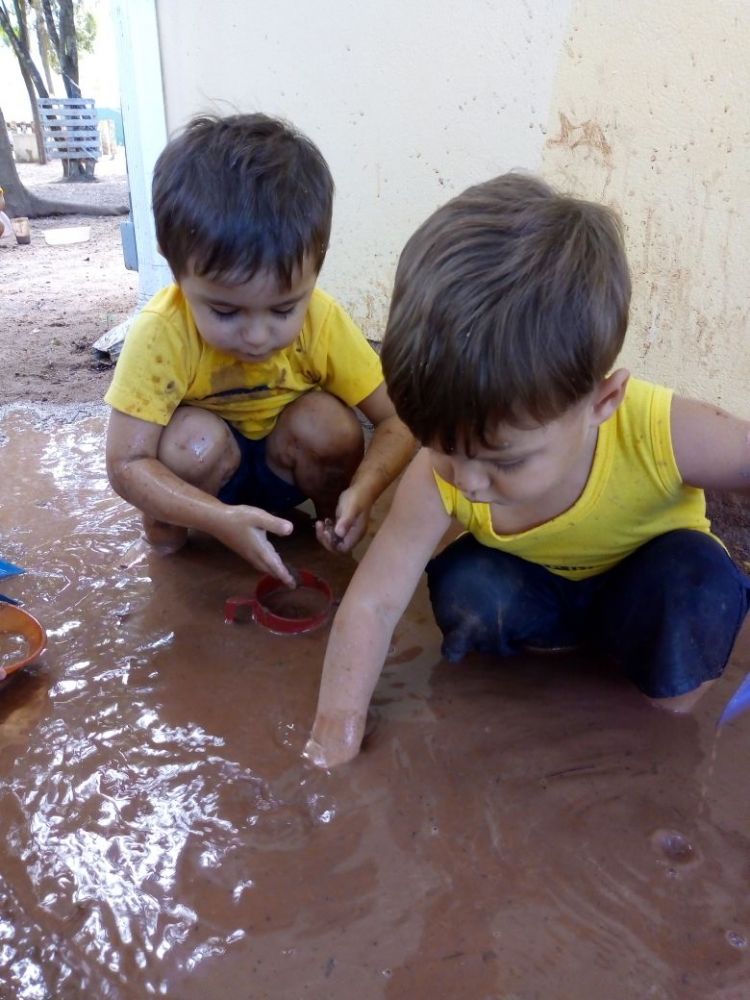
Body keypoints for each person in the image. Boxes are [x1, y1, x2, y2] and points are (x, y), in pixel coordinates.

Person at [304, 172, 750, 768]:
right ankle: (558, 664)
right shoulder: (441, 474)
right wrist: (332, 737)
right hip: (541, 596)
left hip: (649, 589)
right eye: (440, 447)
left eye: (503, 460)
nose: (466, 480)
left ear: (602, 402)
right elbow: (374, 604)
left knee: (700, 590)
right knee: (468, 591)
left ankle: (659, 727)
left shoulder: (660, 430)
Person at [105, 113, 414, 587]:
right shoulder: (162, 331)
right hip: (203, 475)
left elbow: (397, 419)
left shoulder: (322, 320)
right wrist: (218, 519)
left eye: (284, 309)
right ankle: (171, 547)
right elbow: (126, 463)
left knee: (331, 426)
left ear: (316, 268)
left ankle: (334, 527)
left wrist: (365, 491)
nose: (256, 336)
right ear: (176, 271)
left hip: (281, 466)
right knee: (190, 446)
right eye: (226, 312)